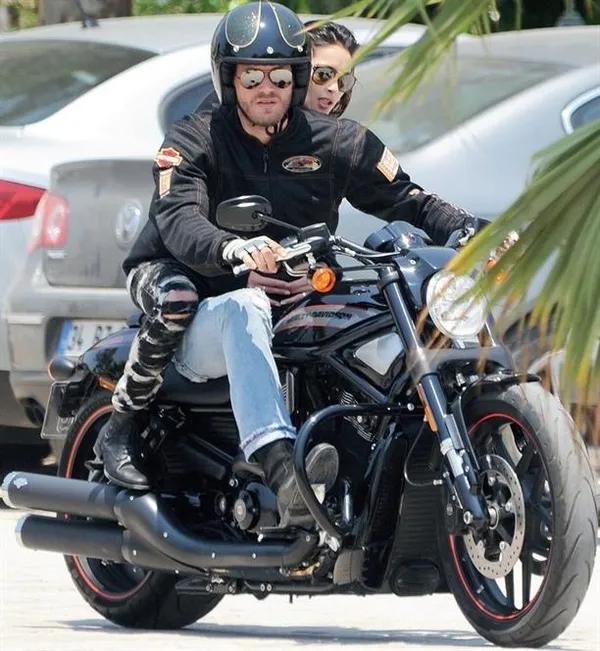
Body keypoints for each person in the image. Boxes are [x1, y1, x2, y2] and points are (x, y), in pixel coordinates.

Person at [94, 1, 484, 524]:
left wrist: (474, 230)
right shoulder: (193, 138)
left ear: (296, 80)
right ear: (229, 79)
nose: (266, 88)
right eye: (251, 76)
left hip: (280, 291)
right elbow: (180, 217)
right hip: (189, 283)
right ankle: (234, 454)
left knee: (366, 312)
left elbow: (408, 197)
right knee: (212, 301)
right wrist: (230, 249)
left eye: (279, 76)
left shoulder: (336, 141)